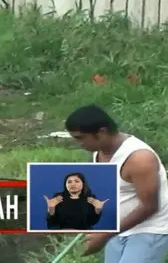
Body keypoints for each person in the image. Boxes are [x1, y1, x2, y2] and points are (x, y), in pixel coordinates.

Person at [65, 104, 168, 262]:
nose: (78, 143)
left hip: (149, 229)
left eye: (80, 138)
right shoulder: (99, 154)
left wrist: (105, 234)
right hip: (119, 229)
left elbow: (150, 206)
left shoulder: (139, 158)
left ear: (102, 132)